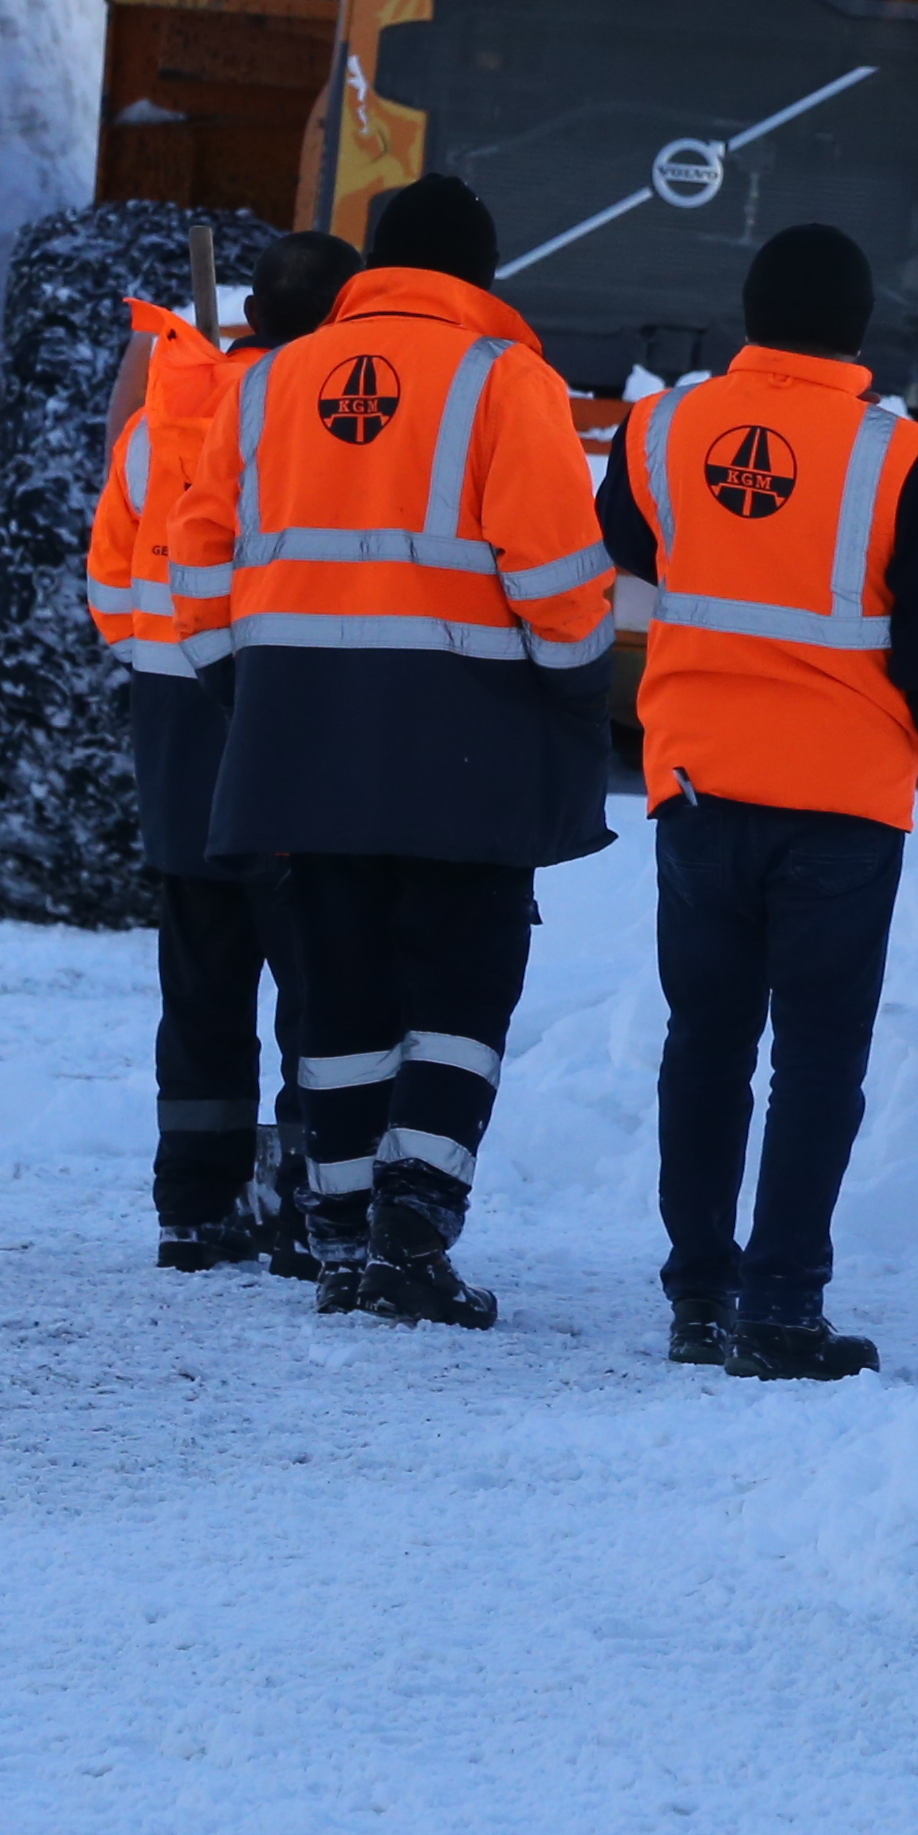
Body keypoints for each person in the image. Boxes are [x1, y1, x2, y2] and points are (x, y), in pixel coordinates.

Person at [183, 175, 621, 1328]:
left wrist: (253, 686)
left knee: (341, 991)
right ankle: (412, 1239)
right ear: (477, 278)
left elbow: (199, 553)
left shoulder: (267, 381)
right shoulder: (502, 379)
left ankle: (335, 1239)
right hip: (464, 739)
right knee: (464, 990)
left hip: (303, 736)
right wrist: (582, 690)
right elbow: (556, 575)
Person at [598, 222, 918, 1381]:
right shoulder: (896, 458)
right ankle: (782, 1310)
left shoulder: (664, 427)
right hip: (839, 804)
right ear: (859, 331)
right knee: (817, 1062)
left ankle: (698, 1300)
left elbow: (626, 537)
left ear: (750, 313)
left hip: (697, 788)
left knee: (705, 1047)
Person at [101, 227, 356, 1275]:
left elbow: (115, 593)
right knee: (317, 983)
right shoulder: (324, 426)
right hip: (281, 728)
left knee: (200, 989)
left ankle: (195, 1209)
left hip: (172, 738)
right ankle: (307, 1203)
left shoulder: (166, 420)